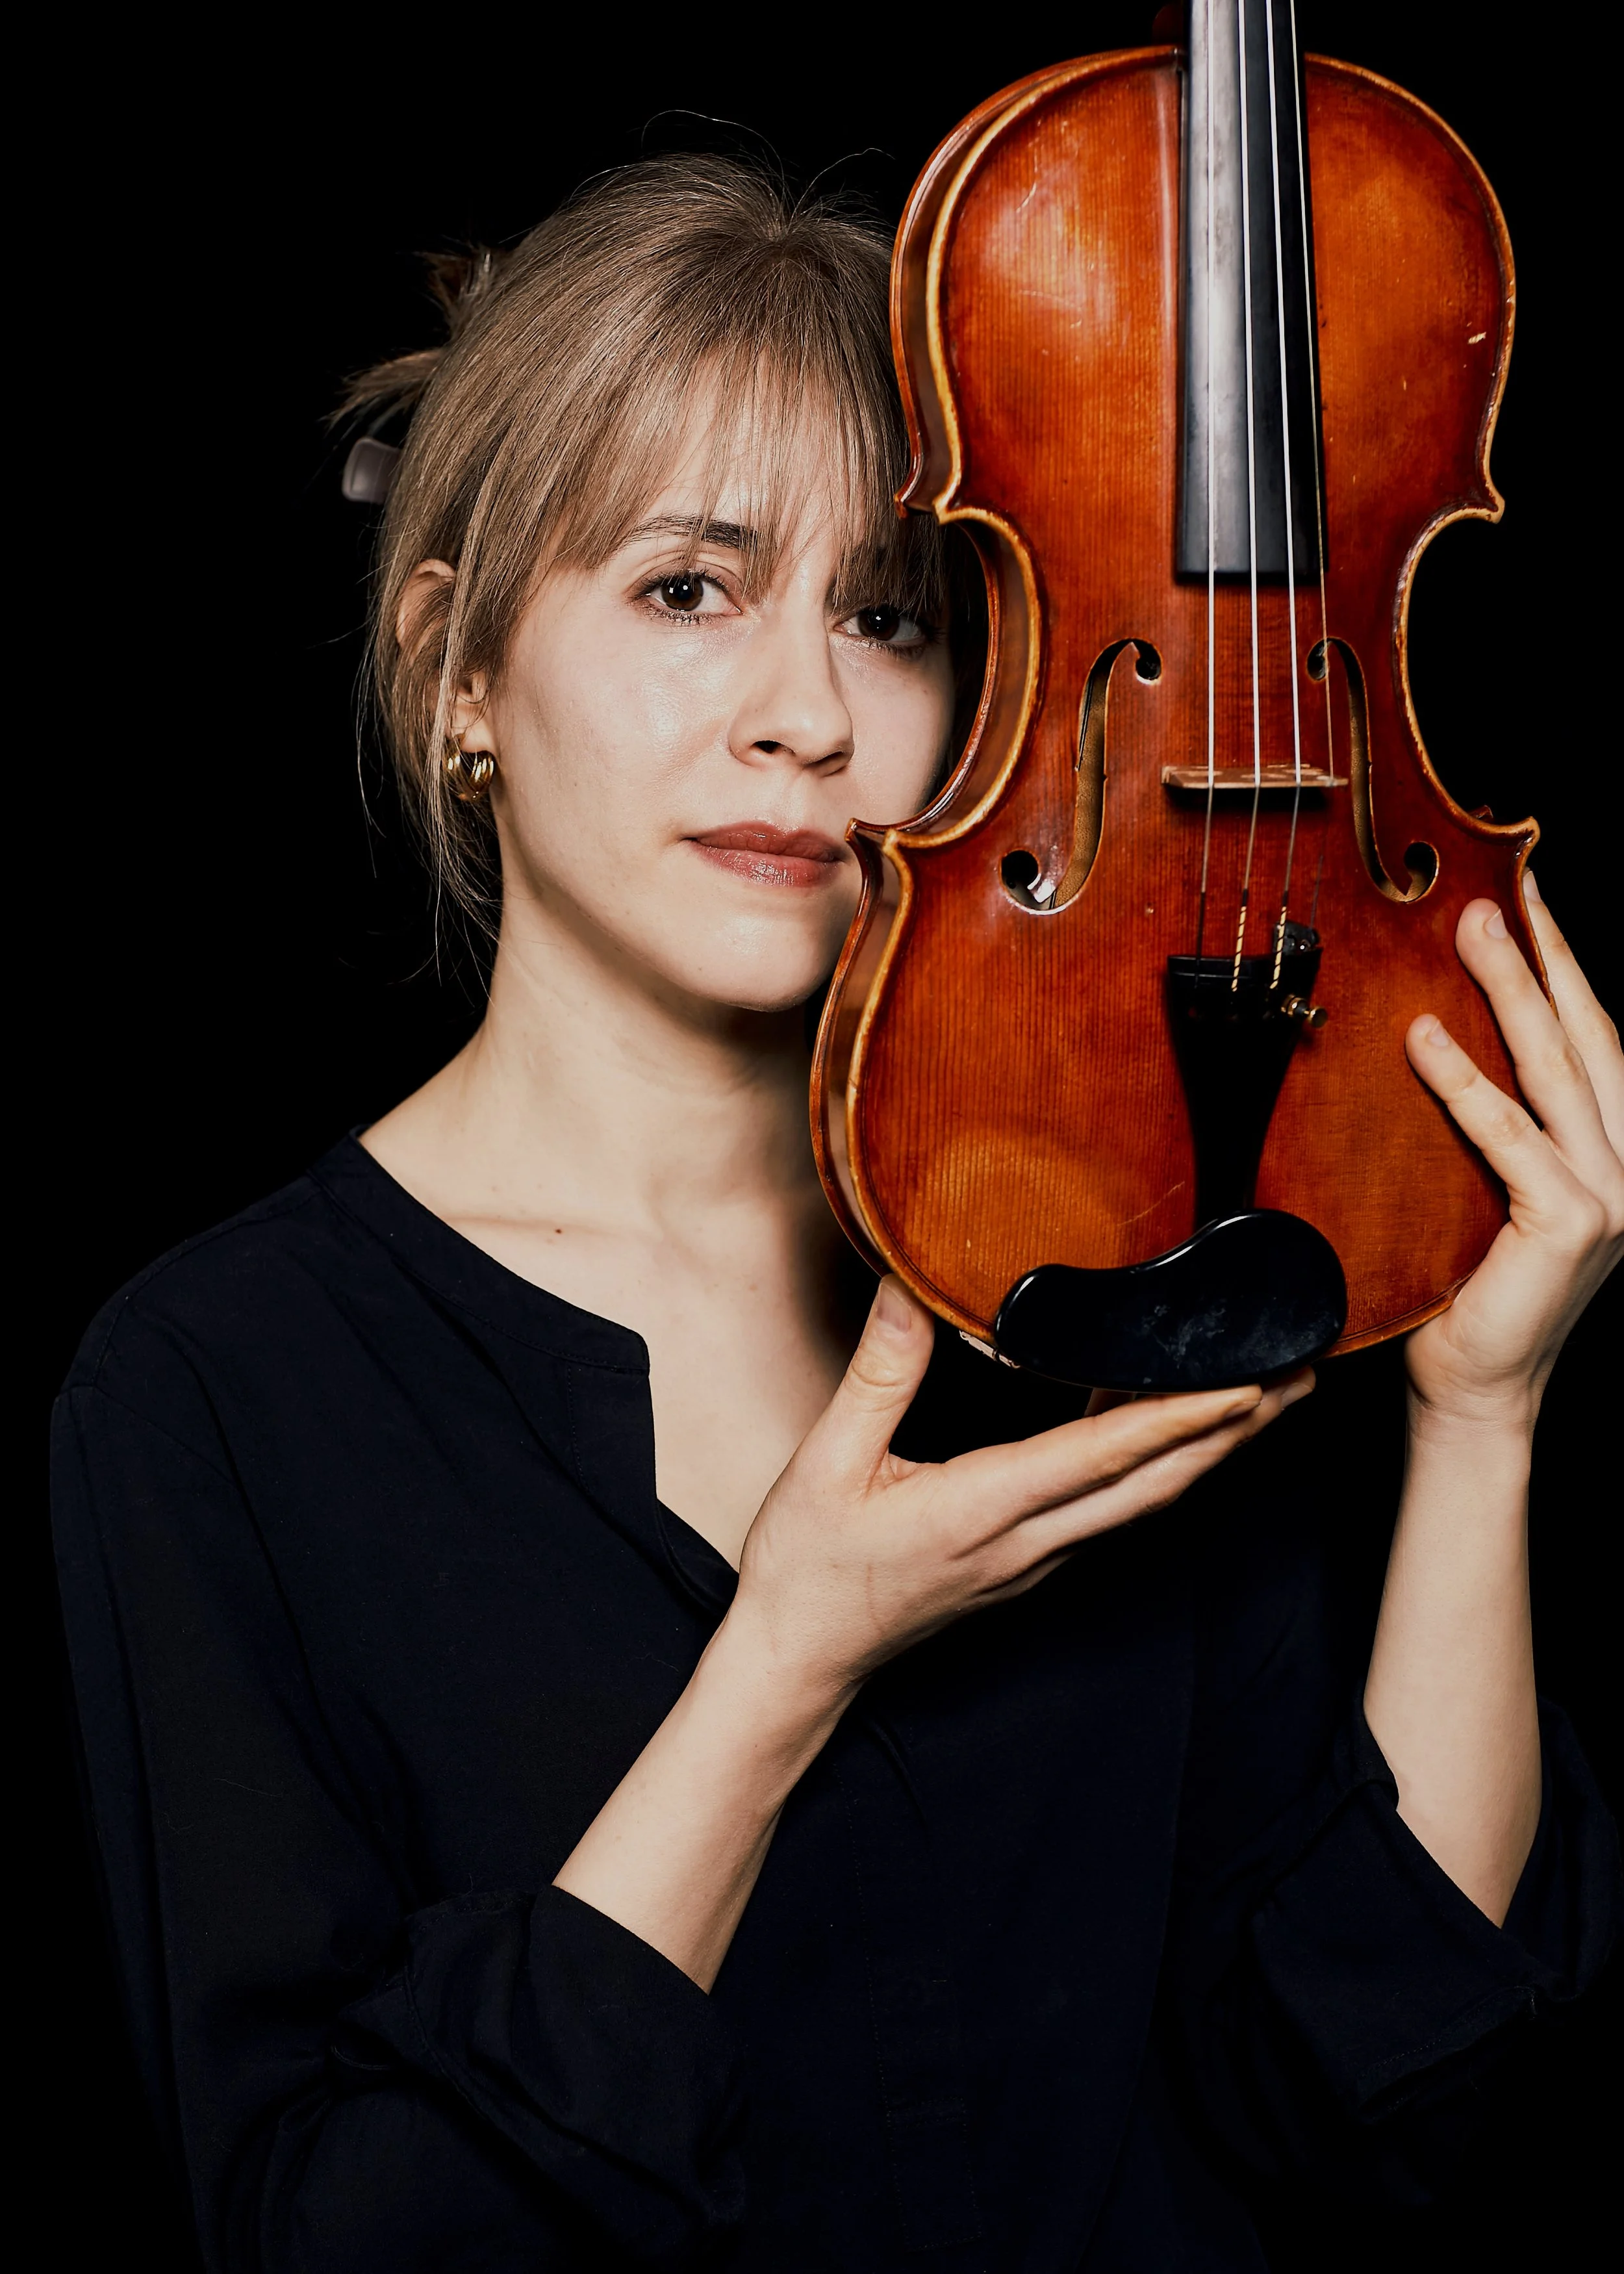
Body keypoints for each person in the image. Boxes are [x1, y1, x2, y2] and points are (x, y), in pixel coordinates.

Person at [53, 158, 1621, 2273]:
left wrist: (1477, 1419)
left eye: (884, 613)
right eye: (689, 588)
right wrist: (782, 1659)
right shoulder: (212, 1390)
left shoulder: (1114, 1257)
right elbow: (346, 2238)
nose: (806, 714)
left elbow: (1370, 2098)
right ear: (456, 678)